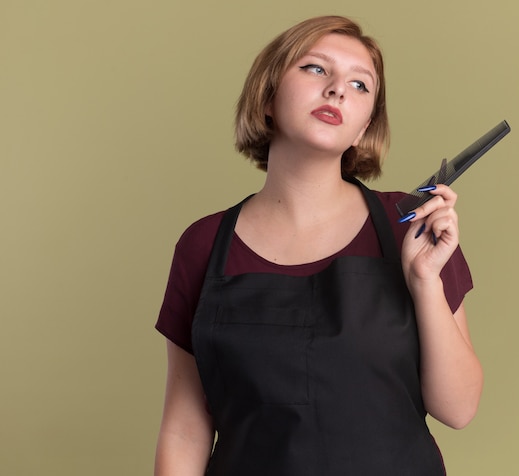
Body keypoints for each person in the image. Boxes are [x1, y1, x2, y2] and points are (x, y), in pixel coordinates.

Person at [154, 15, 483, 476]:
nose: (337, 90)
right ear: (267, 96)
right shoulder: (204, 244)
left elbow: (459, 408)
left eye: (360, 84)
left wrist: (425, 281)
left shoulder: (410, 226)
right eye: (315, 69)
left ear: (366, 127)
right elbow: (186, 428)